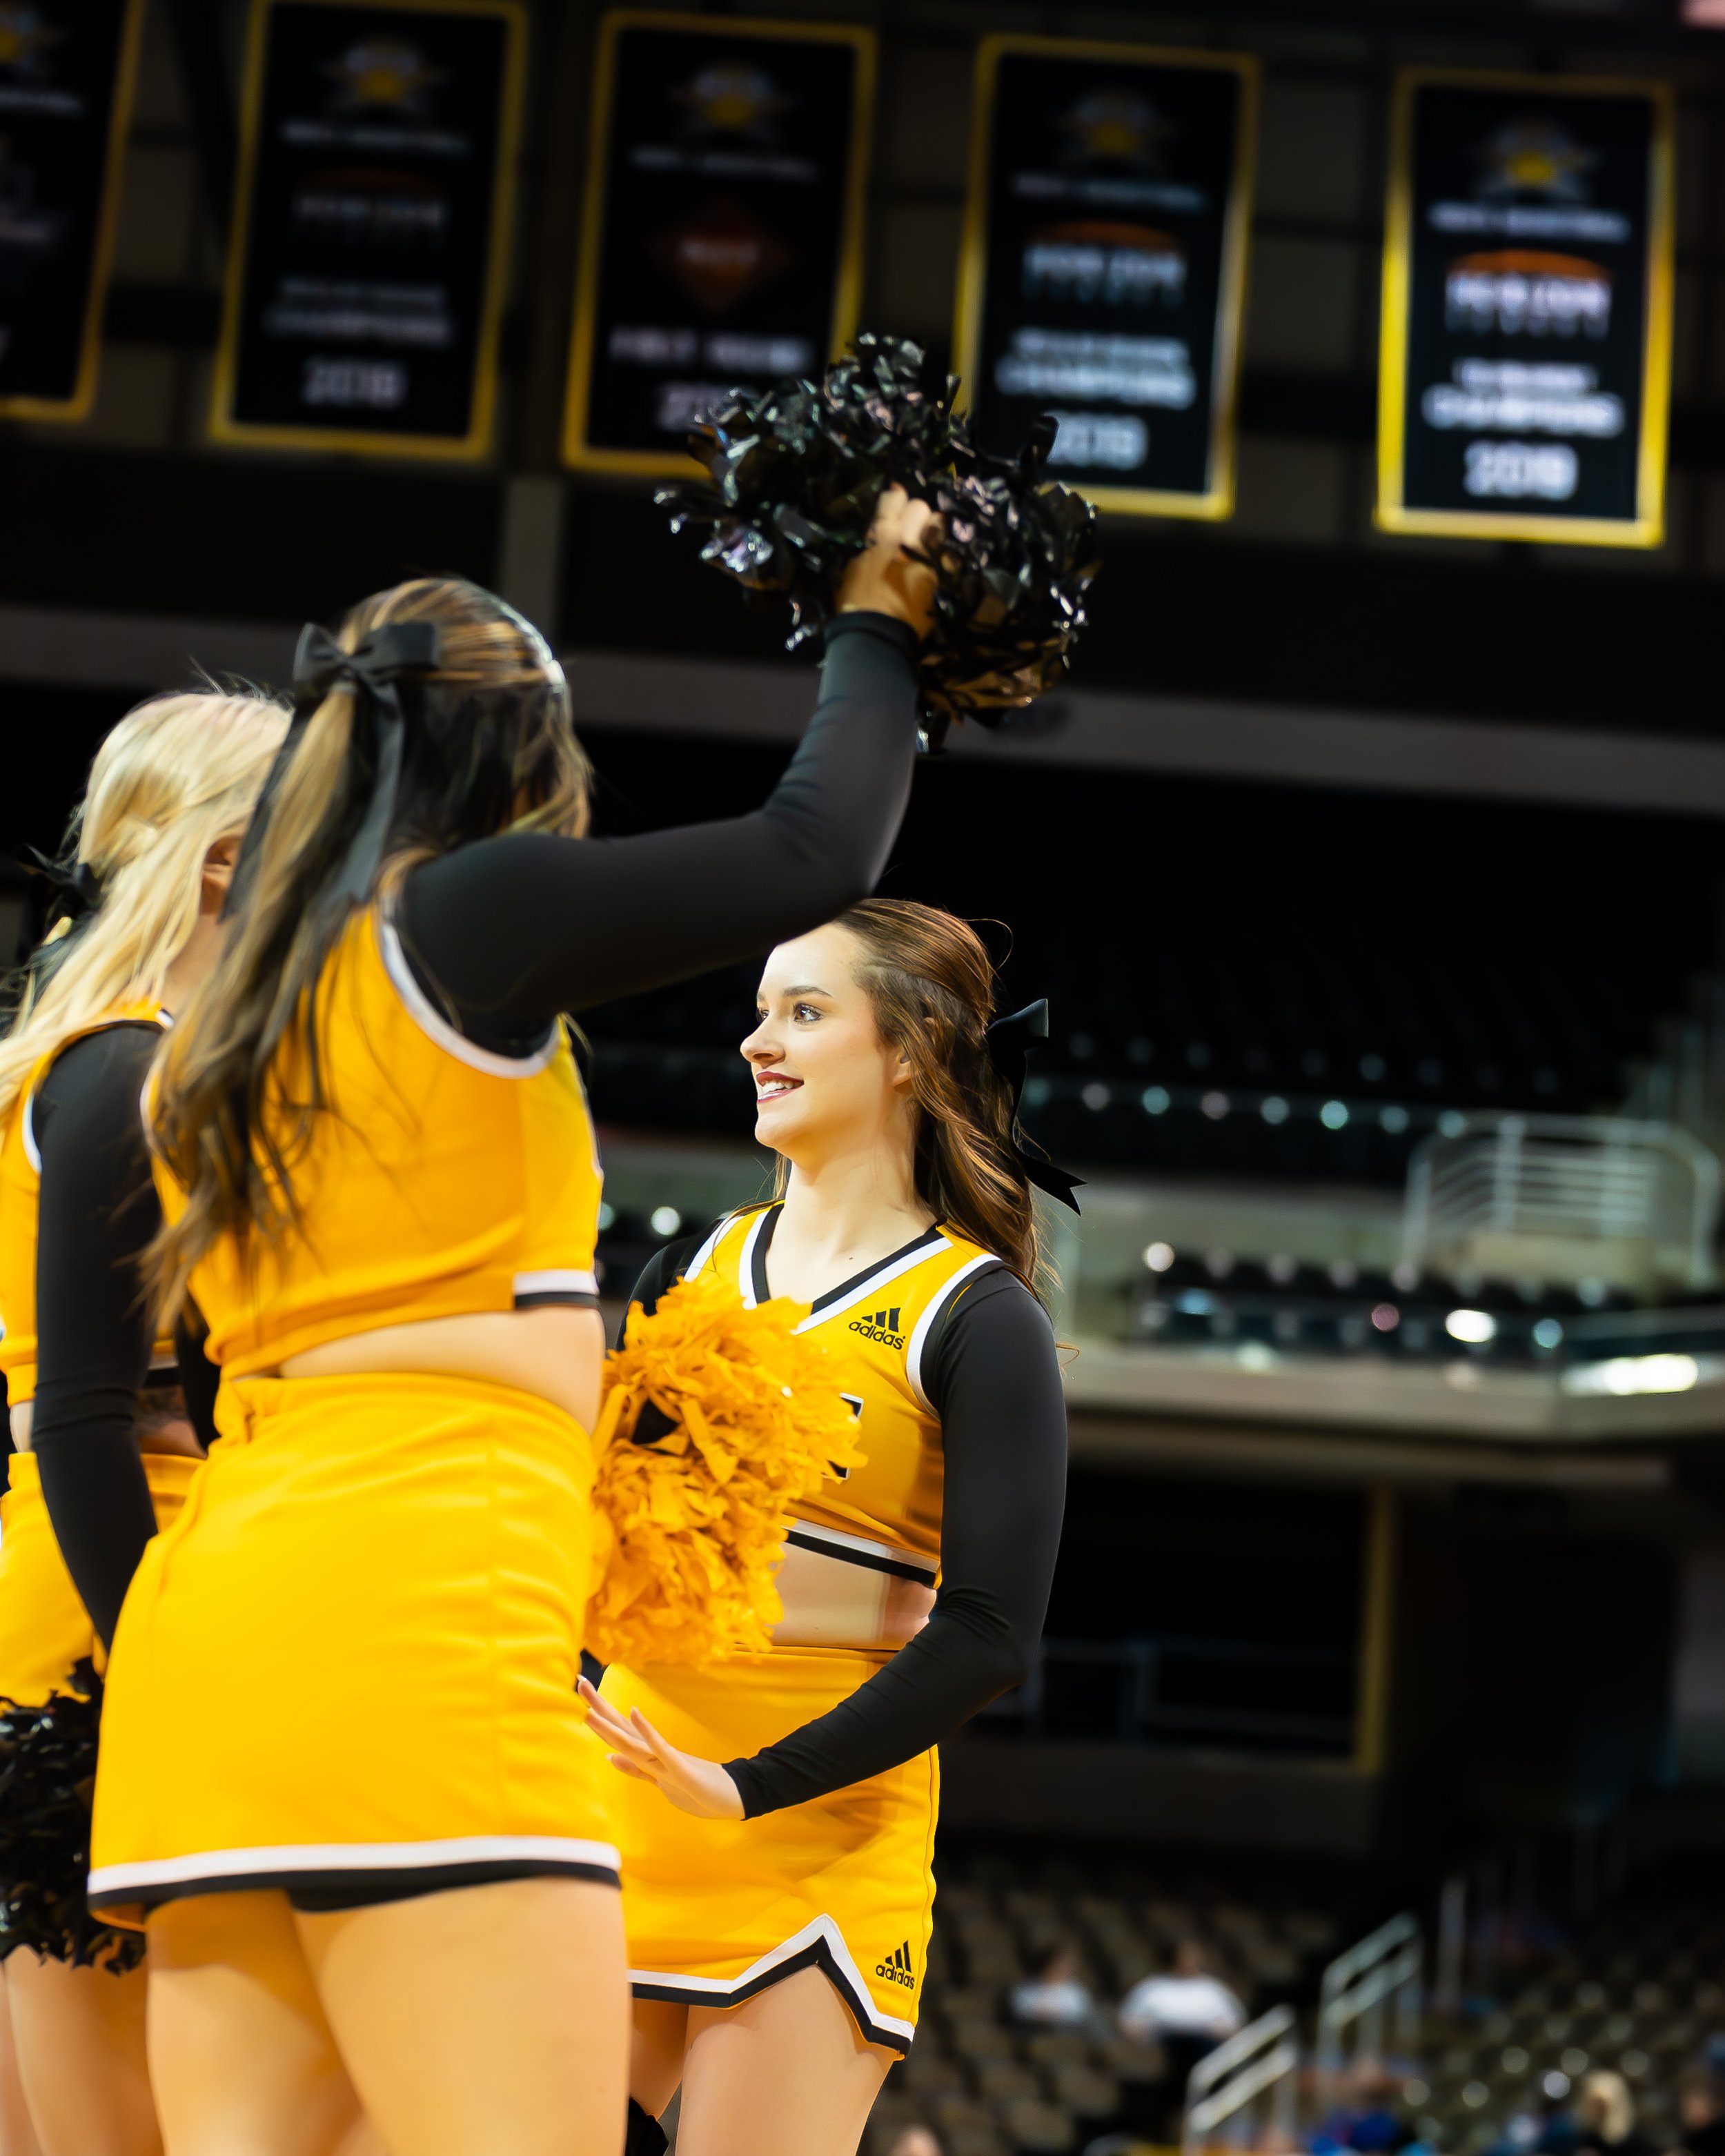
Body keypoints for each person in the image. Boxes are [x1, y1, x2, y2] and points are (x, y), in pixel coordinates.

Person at [55, 498, 937, 2156]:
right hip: (424, 1635)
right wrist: (877, 616)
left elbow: (147, 1396)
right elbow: (817, 852)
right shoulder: (458, 921)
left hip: (207, 1675)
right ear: (522, 758)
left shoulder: (210, 1023)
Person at [579, 898, 1071, 2156]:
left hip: (814, 1844)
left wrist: (743, 1790)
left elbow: (988, 1635)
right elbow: (602, 1548)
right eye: (757, 1013)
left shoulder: (975, 1314)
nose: (758, 1040)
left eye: (803, 1011)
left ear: (906, 1050)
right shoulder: (685, 1270)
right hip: (618, 1802)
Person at [0, 691, 288, 2156]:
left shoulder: (112, 1051)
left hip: (82, 1577)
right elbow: (84, 1418)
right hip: (110, 1587)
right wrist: (154, 1663)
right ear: (232, 858)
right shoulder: (127, 1067)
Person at [1011, 1944, 1100, 2035]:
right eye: (1057, 1964)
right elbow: (1020, 2012)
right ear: (1048, 1964)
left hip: (1069, 2034)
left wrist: (1057, 2017)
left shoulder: (1077, 1992)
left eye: (1066, 1965)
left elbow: (1083, 2016)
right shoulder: (1028, 1989)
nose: (1061, 1969)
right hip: (1036, 2031)